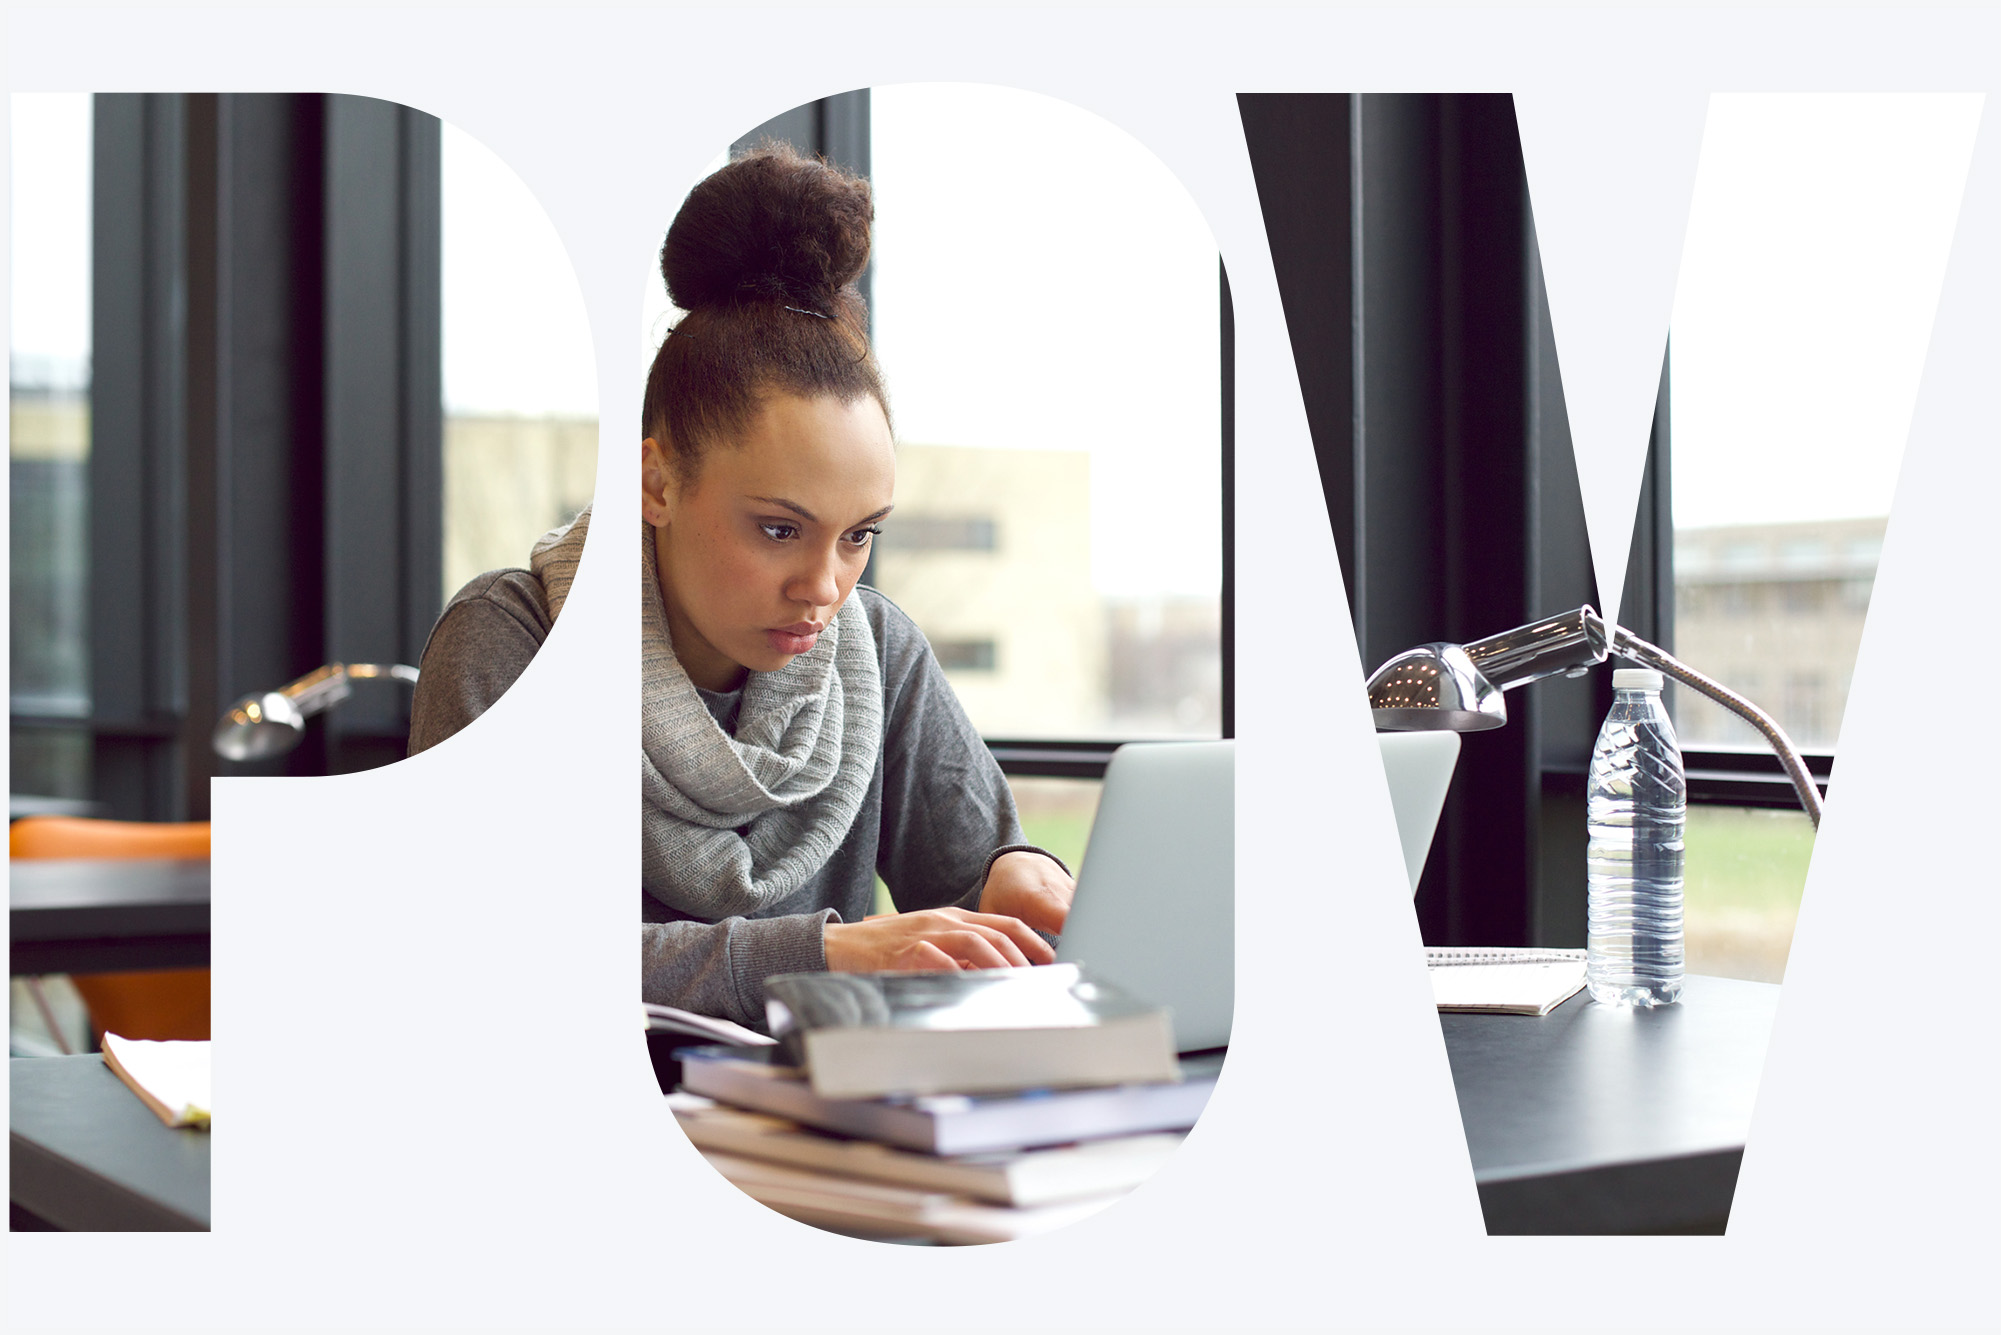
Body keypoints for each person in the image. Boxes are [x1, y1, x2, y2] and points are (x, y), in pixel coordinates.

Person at [410, 145, 1075, 1029]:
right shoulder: (510, 642)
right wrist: (822, 953)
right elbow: (483, 950)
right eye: (778, 528)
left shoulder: (875, 649)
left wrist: (1017, 874)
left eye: (858, 536)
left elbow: (974, 887)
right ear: (654, 483)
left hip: (827, 1127)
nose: (824, 586)